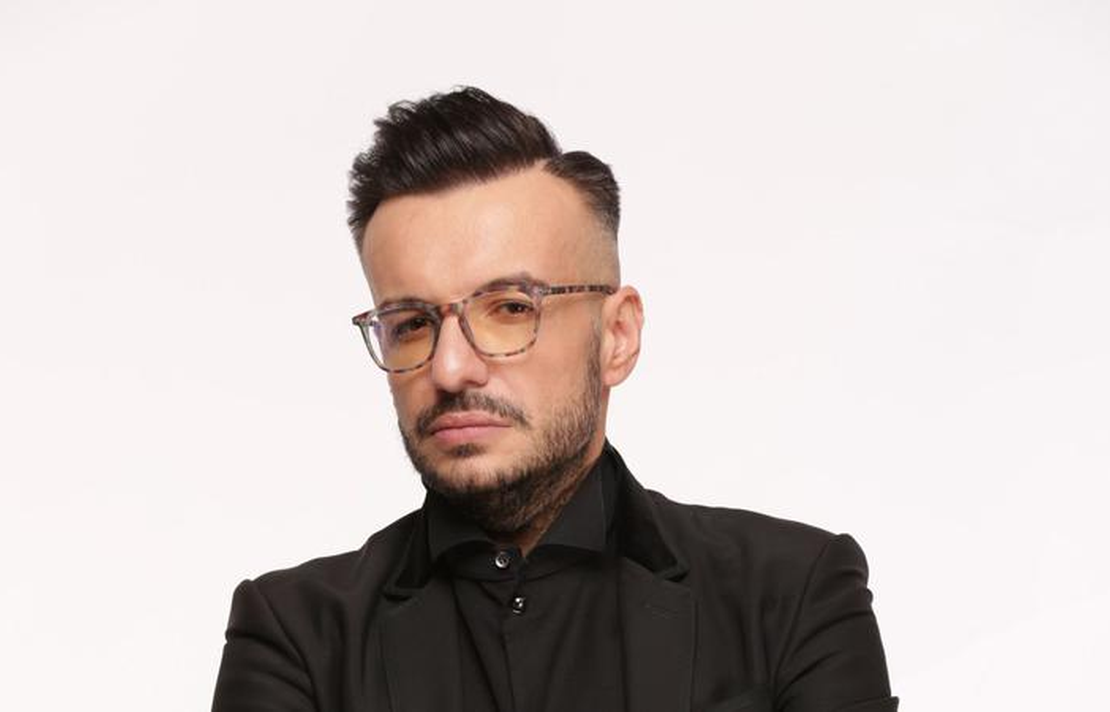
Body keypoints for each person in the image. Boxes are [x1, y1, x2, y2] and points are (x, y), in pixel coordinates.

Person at [210, 86, 898, 712]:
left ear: (617, 336)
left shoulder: (791, 593)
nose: (450, 368)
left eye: (510, 308)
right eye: (411, 323)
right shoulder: (295, 635)